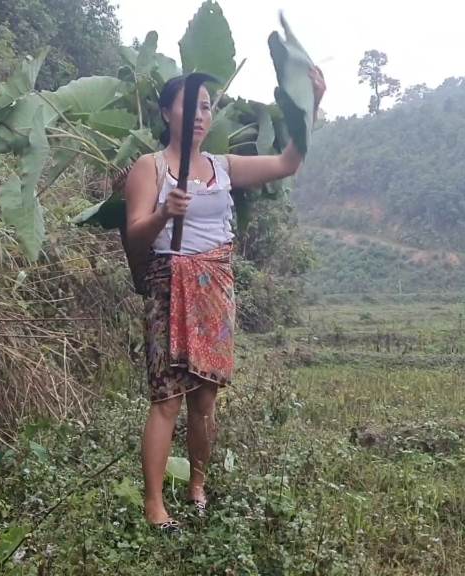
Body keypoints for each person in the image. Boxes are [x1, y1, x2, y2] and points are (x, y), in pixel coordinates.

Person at [122, 67, 326, 533]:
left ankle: (197, 486)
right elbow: (135, 238)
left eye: (206, 106)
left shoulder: (223, 166)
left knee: (205, 398)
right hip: (169, 285)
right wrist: (162, 214)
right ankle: (155, 505)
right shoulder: (149, 168)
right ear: (167, 113)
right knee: (167, 399)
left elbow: (288, 162)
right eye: (189, 105)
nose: (199, 114)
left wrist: (308, 107)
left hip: (215, 288)